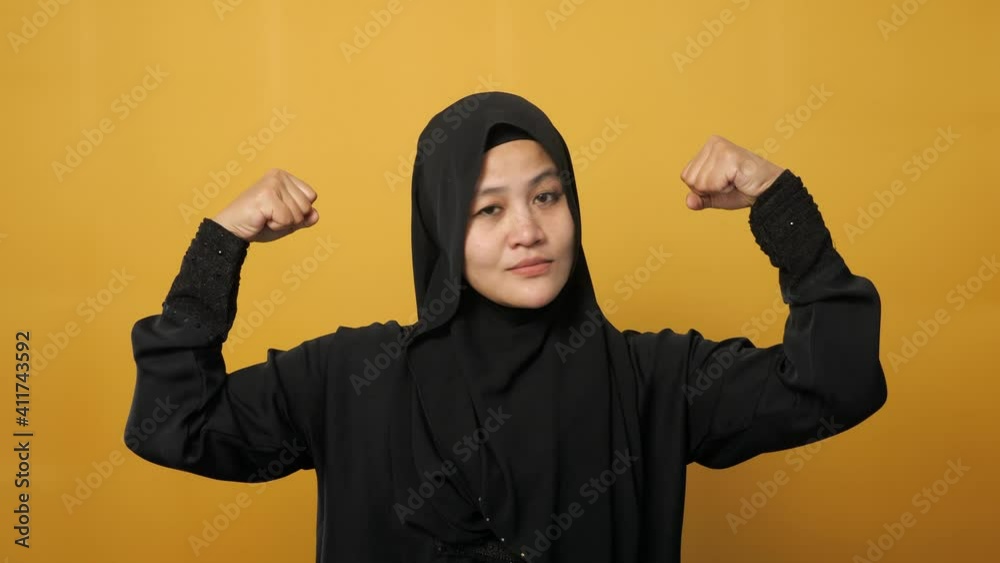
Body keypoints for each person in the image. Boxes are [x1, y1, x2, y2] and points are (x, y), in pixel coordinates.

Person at [125, 91, 887, 563]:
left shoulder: (651, 381)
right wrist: (220, 243)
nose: (529, 229)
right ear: (440, 227)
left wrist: (779, 204)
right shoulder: (351, 379)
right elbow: (171, 423)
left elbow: (835, 384)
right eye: (488, 208)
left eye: (547, 197)